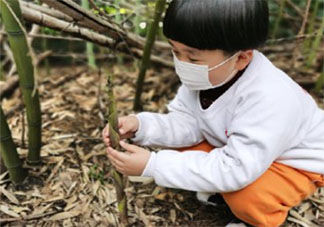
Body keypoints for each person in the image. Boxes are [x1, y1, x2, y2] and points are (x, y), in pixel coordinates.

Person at [102, 0, 324, 226]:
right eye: (175, 51)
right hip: (242, 149)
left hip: (293, 163)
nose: (181, 62)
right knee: (182, 148)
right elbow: (186, 124)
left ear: (241, 58)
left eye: (193, 57)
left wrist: (154, 165)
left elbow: (236, 169)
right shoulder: (210, 76)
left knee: (249, 198)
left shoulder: (270, 98)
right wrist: (141, 126)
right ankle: (220, 190)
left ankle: (258, 219)